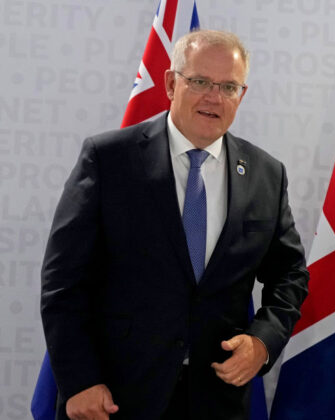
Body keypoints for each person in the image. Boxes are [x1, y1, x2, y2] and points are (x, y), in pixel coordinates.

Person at [40, 30, 309, 420]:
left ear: (241, 95)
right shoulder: (109, 159)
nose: (214, 97)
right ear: (171, 83)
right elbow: (63, 281)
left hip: (217, 399)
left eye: (228, 86)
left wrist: (263, 342)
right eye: (200, 82)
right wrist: (79, 380)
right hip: (114, 396)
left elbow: (290, 274)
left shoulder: (266, 173)